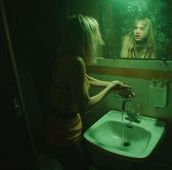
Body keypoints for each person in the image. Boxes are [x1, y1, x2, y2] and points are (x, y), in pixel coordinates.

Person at [43, 15, 133, 170]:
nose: (97, 39)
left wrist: (112, 84)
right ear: (85, 37)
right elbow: (84, 105)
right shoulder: (75, 62)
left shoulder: (66, 56)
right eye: (94, 34)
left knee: (84, 162)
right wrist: (110, 88)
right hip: (63, 133)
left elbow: (85, 79)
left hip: (62, 127)